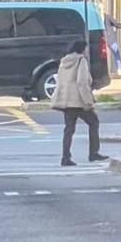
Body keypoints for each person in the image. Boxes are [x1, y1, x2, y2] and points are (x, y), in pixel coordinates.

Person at [51, 32, 102, 165]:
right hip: (78, 101)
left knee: (69, 129)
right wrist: (88, 102)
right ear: (82, 49)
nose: (87, 51)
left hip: (66, 102)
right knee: (94, 123)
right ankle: (93, 153)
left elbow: (61, 81)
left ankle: (65, 157)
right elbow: (82, 83)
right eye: (85, 48)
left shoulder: (64, 61)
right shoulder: (81, 61)